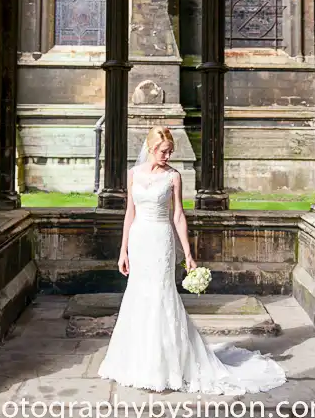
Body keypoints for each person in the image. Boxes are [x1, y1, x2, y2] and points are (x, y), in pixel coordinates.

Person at [97, 125, 286, 394]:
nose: (168, 156)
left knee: (163, 296)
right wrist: (123, 250)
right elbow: (130, 213)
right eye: (164, 151)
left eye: (171, 152)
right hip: (139, 240)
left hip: (161, 241)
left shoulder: (173, 177)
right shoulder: (133, 175)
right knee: (138, 295)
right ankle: (136, 361)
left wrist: (187, 253)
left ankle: (169, 365)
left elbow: (178, 216)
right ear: (152, 148)